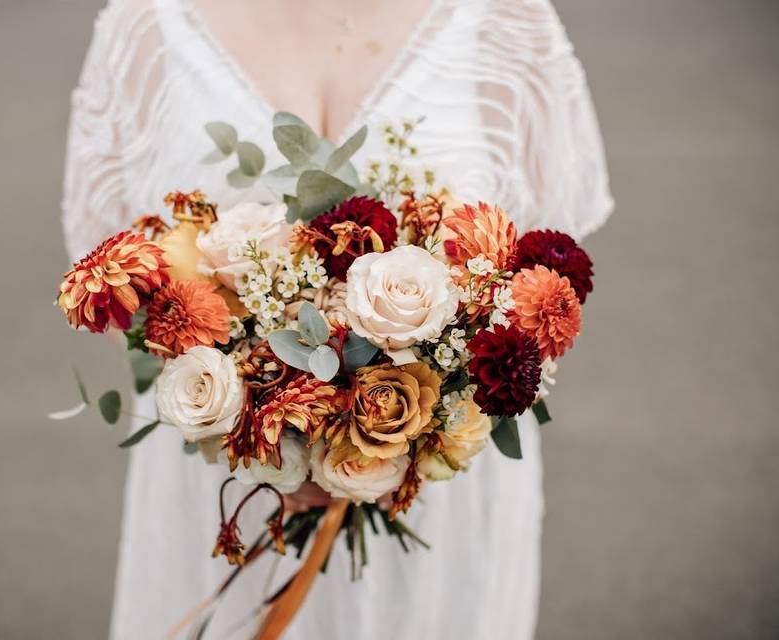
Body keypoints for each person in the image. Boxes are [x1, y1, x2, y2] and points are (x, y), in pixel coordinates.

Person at [61, 1, 613, 637]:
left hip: (441, 497)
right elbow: (119, 279)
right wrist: (275, 439)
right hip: (229, 489)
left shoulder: (505, 21)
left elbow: (540, 281)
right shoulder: (146, 25)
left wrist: (401, 422)